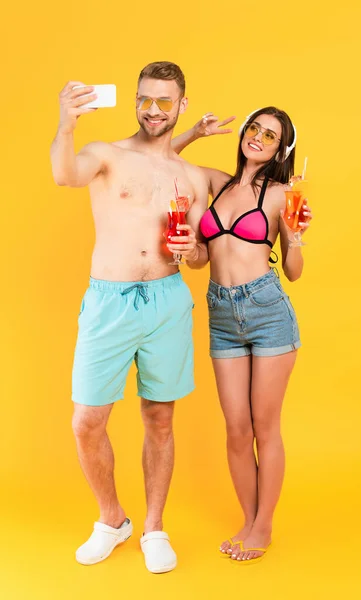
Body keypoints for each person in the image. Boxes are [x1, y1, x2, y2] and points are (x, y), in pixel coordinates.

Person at [50, 62, 209, 574]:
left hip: (167, 300)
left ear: (181, 105)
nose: (154, 109)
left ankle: (154, 527)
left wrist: (193, 248)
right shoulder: (106, 154)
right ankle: (111, 519)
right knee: (87, 422)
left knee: (159, 417)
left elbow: (202, 254)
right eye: (146, 98)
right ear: (136, 100)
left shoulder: (190, 176)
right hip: (109, 302)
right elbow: (63, 173)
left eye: (165, 101)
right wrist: (67, 123)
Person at [170, 107, 313, 564]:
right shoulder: (215, 182)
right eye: (255, 128)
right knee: (236, 429)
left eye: (270, 135)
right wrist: (193, 132)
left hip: (268, 310)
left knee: (264, 428)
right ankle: (248, 519)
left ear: (280, 150)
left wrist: (298, 237)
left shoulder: (282, 195)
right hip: (221, 313)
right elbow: (158, 158)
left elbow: (293, 272)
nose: (258, 137)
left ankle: (263, 525)